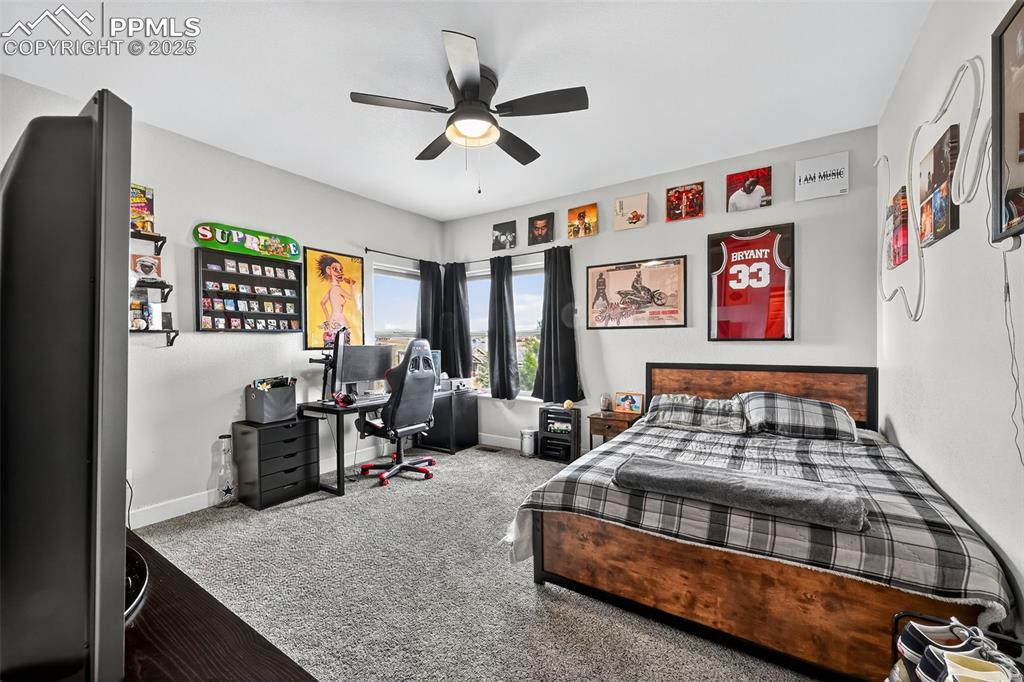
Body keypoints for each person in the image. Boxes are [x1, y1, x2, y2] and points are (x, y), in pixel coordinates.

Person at [317, 254, 356, 346]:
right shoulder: (337, 288)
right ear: (328, 270)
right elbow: (352, 298)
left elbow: (322, 303)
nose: (339, 272)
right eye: (335, 269)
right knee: (343, 347)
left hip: (332, 320)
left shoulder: (332, 289)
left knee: (334, 347)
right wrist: (350, 286)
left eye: (340, 270)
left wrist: (328, 318)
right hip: (339, 320)